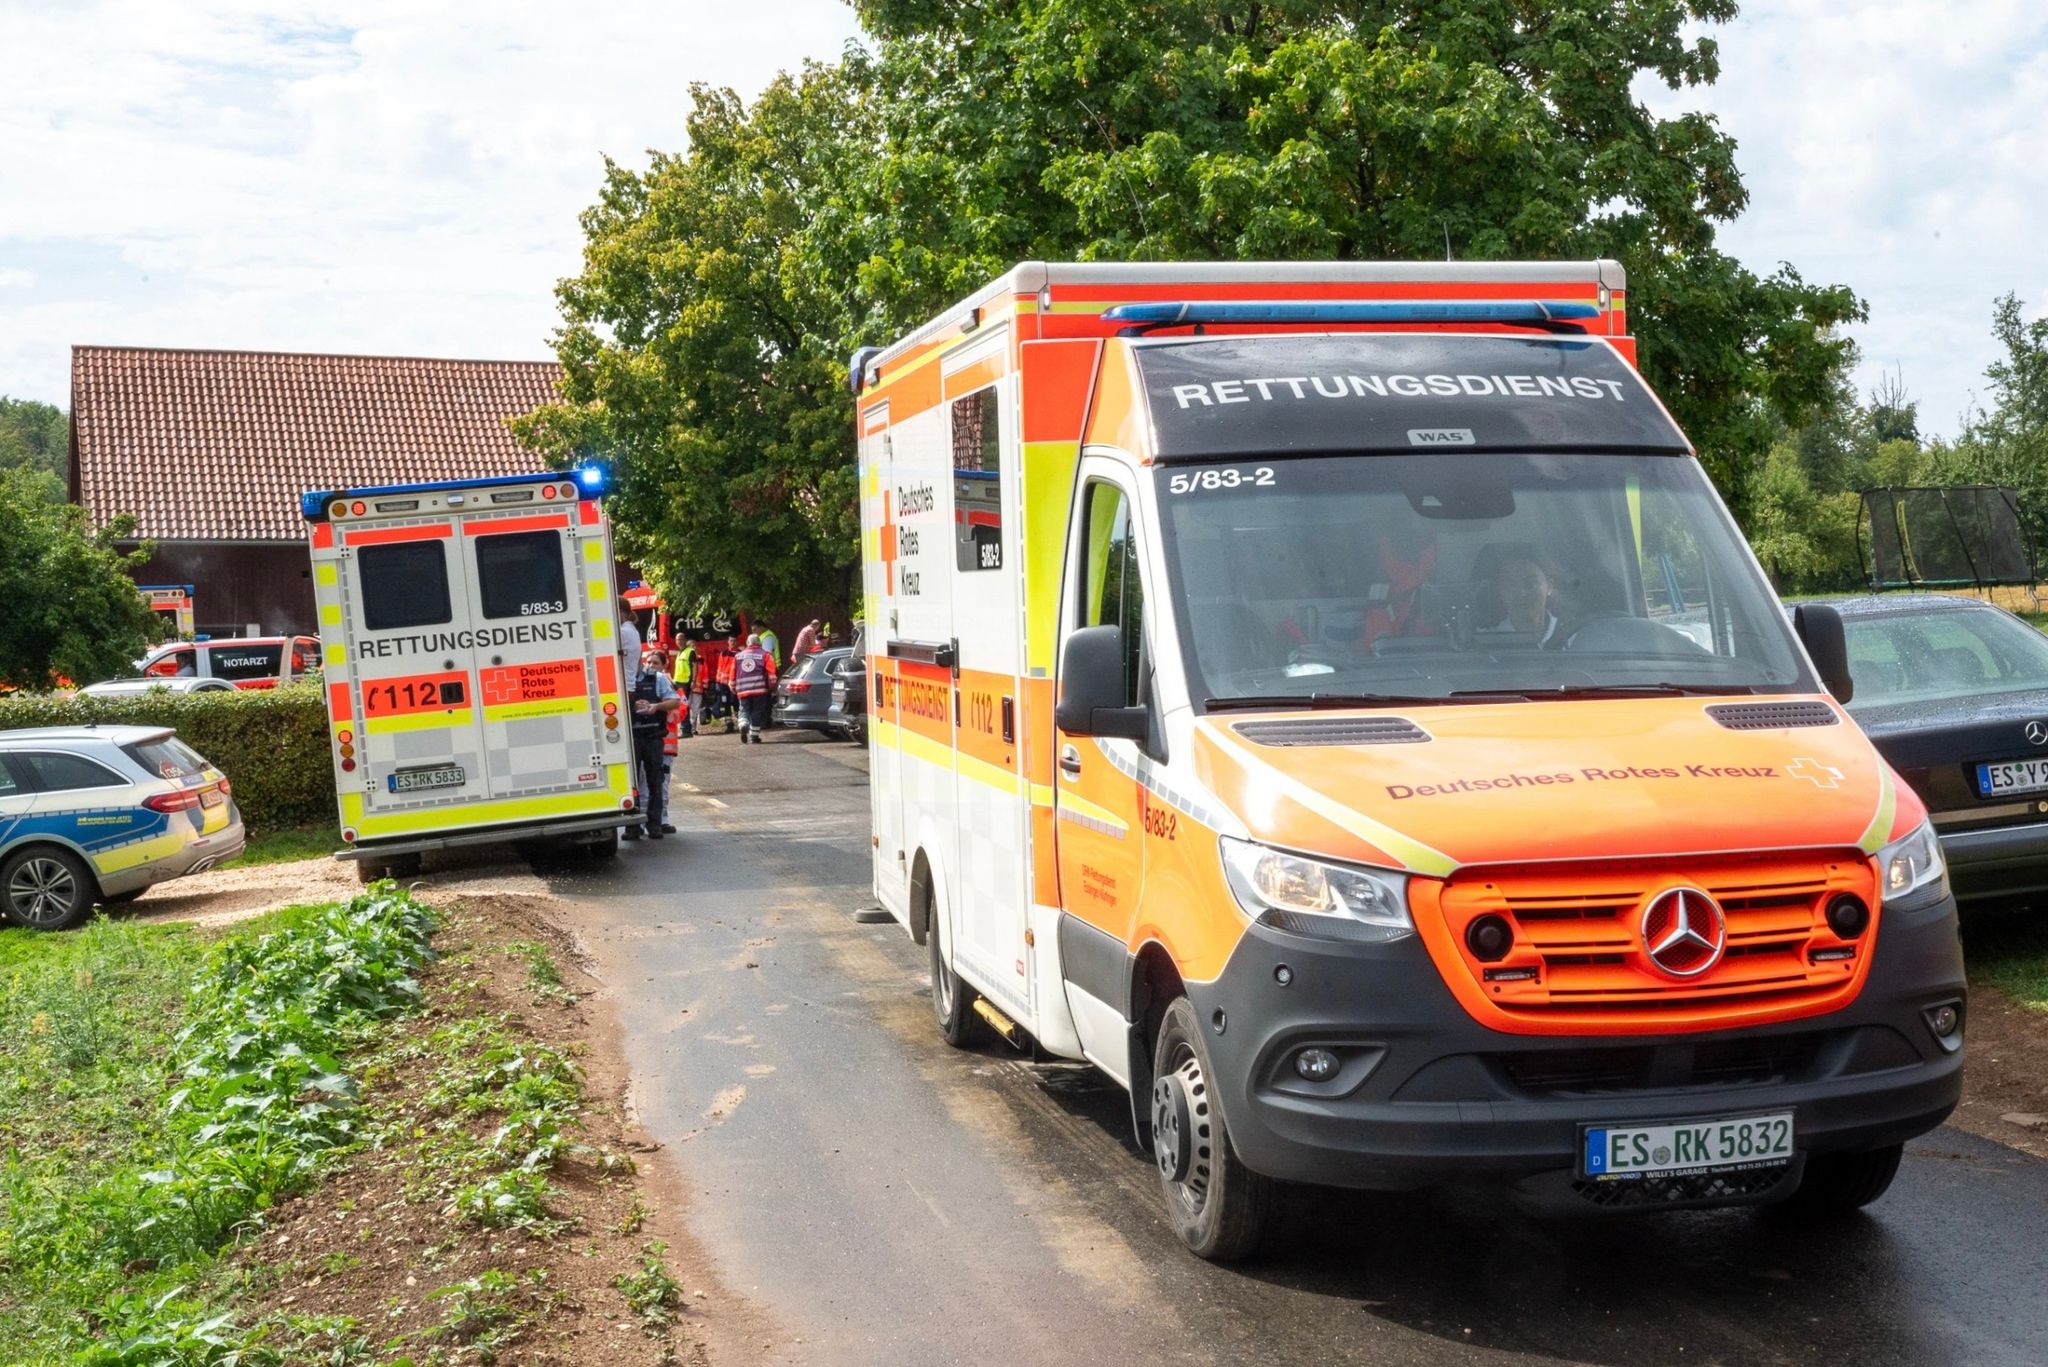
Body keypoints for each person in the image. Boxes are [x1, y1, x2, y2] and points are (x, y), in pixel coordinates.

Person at [624, 646, 682, 840]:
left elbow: (674, 701)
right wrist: (631, 705)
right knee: (631, 785)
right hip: (632, 738)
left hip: (653, 737)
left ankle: (654, 825)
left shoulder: (657, 679)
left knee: (655, 782)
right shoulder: (624, 680)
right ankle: (633, 827)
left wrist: (656, 706)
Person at [1479, 548, 1560, 646]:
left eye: (1531, 583)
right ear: (1499, 590)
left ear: (1550, 586)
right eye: (1510, 584)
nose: (1521, 593)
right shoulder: (1485, 642)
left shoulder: (1575, 639)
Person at [731, 632, 778, 743]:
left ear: (748, 643)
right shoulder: (765, 655)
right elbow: (772, 674)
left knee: (743, 709)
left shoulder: (738, 656)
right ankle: (754, 736)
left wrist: (732, 686)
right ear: (759, 643)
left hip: (742, 689)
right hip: (759, 689)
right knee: (757, 711)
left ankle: (743, 724)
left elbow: (732, 673)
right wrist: (772, 686)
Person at [617, 595, 644, 692]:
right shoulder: (633, 631)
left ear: (622, 612)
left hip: (623, 687)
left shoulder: (622, 632)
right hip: (630, 686)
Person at [675, 639, 699, 737]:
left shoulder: (690, 651)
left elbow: (695, 666)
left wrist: (693, 680)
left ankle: (686, 730)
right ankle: (686, 729)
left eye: (681, 639)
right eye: (677, 639)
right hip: (678, 682)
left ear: (684, 640)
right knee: (683, 705)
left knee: (683, 705)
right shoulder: (679, 652)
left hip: (685, 682)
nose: (679, 641)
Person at [714, 639, 739, 733]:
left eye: (734, 641)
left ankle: (741, 722)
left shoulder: (740, 654)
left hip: (735, 683)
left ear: (737, 642)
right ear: (728, 642)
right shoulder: (723, 653)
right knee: (726, 704)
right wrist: (718, 681)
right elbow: (720, 667)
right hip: (724, 684)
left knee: (736, 702)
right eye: (731, 641)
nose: (733, 642)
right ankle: (729, 725)